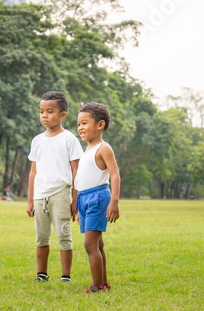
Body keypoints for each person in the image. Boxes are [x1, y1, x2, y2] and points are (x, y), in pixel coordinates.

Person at [27, 91, 83, 283]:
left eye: (50, 111)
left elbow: (77, 172)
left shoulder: (69, 140)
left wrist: (75, 199)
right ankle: (41, 274)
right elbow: (33, 172)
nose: (44, 115)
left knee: (64, 236)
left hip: (61, 194)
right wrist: (30, 200)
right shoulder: (37, 140)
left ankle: (65, 276)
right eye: (41, 111)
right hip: (40, 196)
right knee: (41, 238)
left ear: (62, 115)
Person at [75, 102, 120, 293]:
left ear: (100, 125)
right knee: (98, 244)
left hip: (98, 197)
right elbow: (82, 179)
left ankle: (97, 286)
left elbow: (115, 175)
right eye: (78, 124)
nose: (80, 128)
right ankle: (103, 283)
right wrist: (78, 207)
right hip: (84, 199)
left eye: (84, 123)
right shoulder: (87, 150)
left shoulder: (104, 148)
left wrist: (114, 201)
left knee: (89, 244)